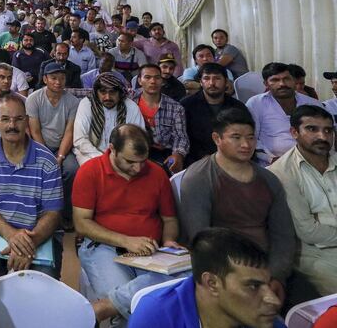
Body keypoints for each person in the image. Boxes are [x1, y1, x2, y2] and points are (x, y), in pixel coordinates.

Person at [179, 108, 295, 303]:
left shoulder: (269, 179)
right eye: (236, 137)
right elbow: (200, 238)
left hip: (267, 265)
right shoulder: (199, 177)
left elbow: (283, 235)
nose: (245, 144)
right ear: (217, 138)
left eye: (251, 137)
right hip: (223, 268)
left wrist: (277, 276)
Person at [73, 124, 185, 324]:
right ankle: (111, 308)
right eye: (130, 161)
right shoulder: (90, 171)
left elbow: (169, 219)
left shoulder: (156, 173)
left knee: (178, 285)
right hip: (104, 247)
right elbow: (82, 224)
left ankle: (104, 308)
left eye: (143, 161)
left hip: (151, 249)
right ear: (112, 149)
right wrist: (126, 240)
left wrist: (168, 241)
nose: (138, 168)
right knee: (130, 307)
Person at [0, 94, 63, 287]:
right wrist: (11, 235)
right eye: (5, 119)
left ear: (27, 121)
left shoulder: (47, 161)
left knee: (44, 289)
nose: (12, 125)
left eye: (19, 119)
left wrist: (28, 244)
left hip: (38, 232)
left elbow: (53, 212)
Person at [129, 228, 285, 328]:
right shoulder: (157, 316)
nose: (274, 300)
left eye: (267, 285)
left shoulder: (268, 321)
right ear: (211, 283)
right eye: (253, 286)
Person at [268, 105, 337, 295]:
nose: (323, 137)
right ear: (294, 132)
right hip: (316, 255)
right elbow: (308, 231)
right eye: (312, 129)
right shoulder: (282, 173)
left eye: (328, 130)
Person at [27, 62, 80, 227]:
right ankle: (36, 213)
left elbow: (69, 132)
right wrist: (48, 158)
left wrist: (60, 156)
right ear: (45, 79)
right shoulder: (34, 99)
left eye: (62, 78)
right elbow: (35, 131)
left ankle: (65, 214)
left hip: (63, 147)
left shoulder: (72, 101)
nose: (58, 82)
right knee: (34, 169)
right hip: (39, 146)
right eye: (54, 78)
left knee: (72, 170)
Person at [246, 62, 320, 165]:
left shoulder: (312, 104)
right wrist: (270, 159)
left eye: (286, 79)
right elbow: (250, 137)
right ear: (266, 84)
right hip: (272, 164)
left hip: (311, 161)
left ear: (294, 81)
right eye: (275, 80)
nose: (282, 84)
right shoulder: (256, 103)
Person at [181, 62, 250, 164]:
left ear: (226, 82)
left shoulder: (238, 107)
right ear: (200, 82)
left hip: (232, 159)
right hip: (196, 160)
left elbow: (245, 135)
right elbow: (183, 137)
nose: (212, 83)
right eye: (206, 78)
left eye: (217, 78)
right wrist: (203, 156)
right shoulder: (186, 105)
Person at [73, 73, 145, 166]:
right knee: (95, 171)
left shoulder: (130, 106)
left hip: (122, 155)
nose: (107, 97)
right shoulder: (87, 104)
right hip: (89, 153)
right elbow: (80, 139)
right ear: (96, 92)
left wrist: (119, 157)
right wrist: (103, 158)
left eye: (112, 92)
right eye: (103, 92)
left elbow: (138, 138)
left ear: (120, 93)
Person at [132, 63, 188, 174]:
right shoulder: (130, 101)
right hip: (135, 151)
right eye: (147, 77)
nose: (153, 82)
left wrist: (178, 154)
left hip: (163, 153)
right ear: (139, 81)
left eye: (157, 77)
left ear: (162, 81)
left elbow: (180, 136)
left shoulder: (175, 108)